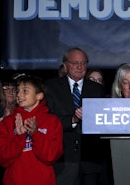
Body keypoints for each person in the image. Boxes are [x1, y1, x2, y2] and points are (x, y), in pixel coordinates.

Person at [45, 47, 106, 185]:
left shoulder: (97, 89)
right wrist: (72, 119)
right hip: (63, 159)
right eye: (75, 63)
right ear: (66, 65)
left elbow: (102, 122)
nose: (79, 66)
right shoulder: (51, 87)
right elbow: (49, 120)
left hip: (90, 160)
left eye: (83, 63)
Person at [0, 75, 63, 185]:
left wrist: (36, 134)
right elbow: (2, 159)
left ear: (39, 96)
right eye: (18, 91)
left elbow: (51, 156)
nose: (19, 95)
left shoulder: (51, 121)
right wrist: (19, 137)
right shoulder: (6, 123)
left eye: (25, 91)